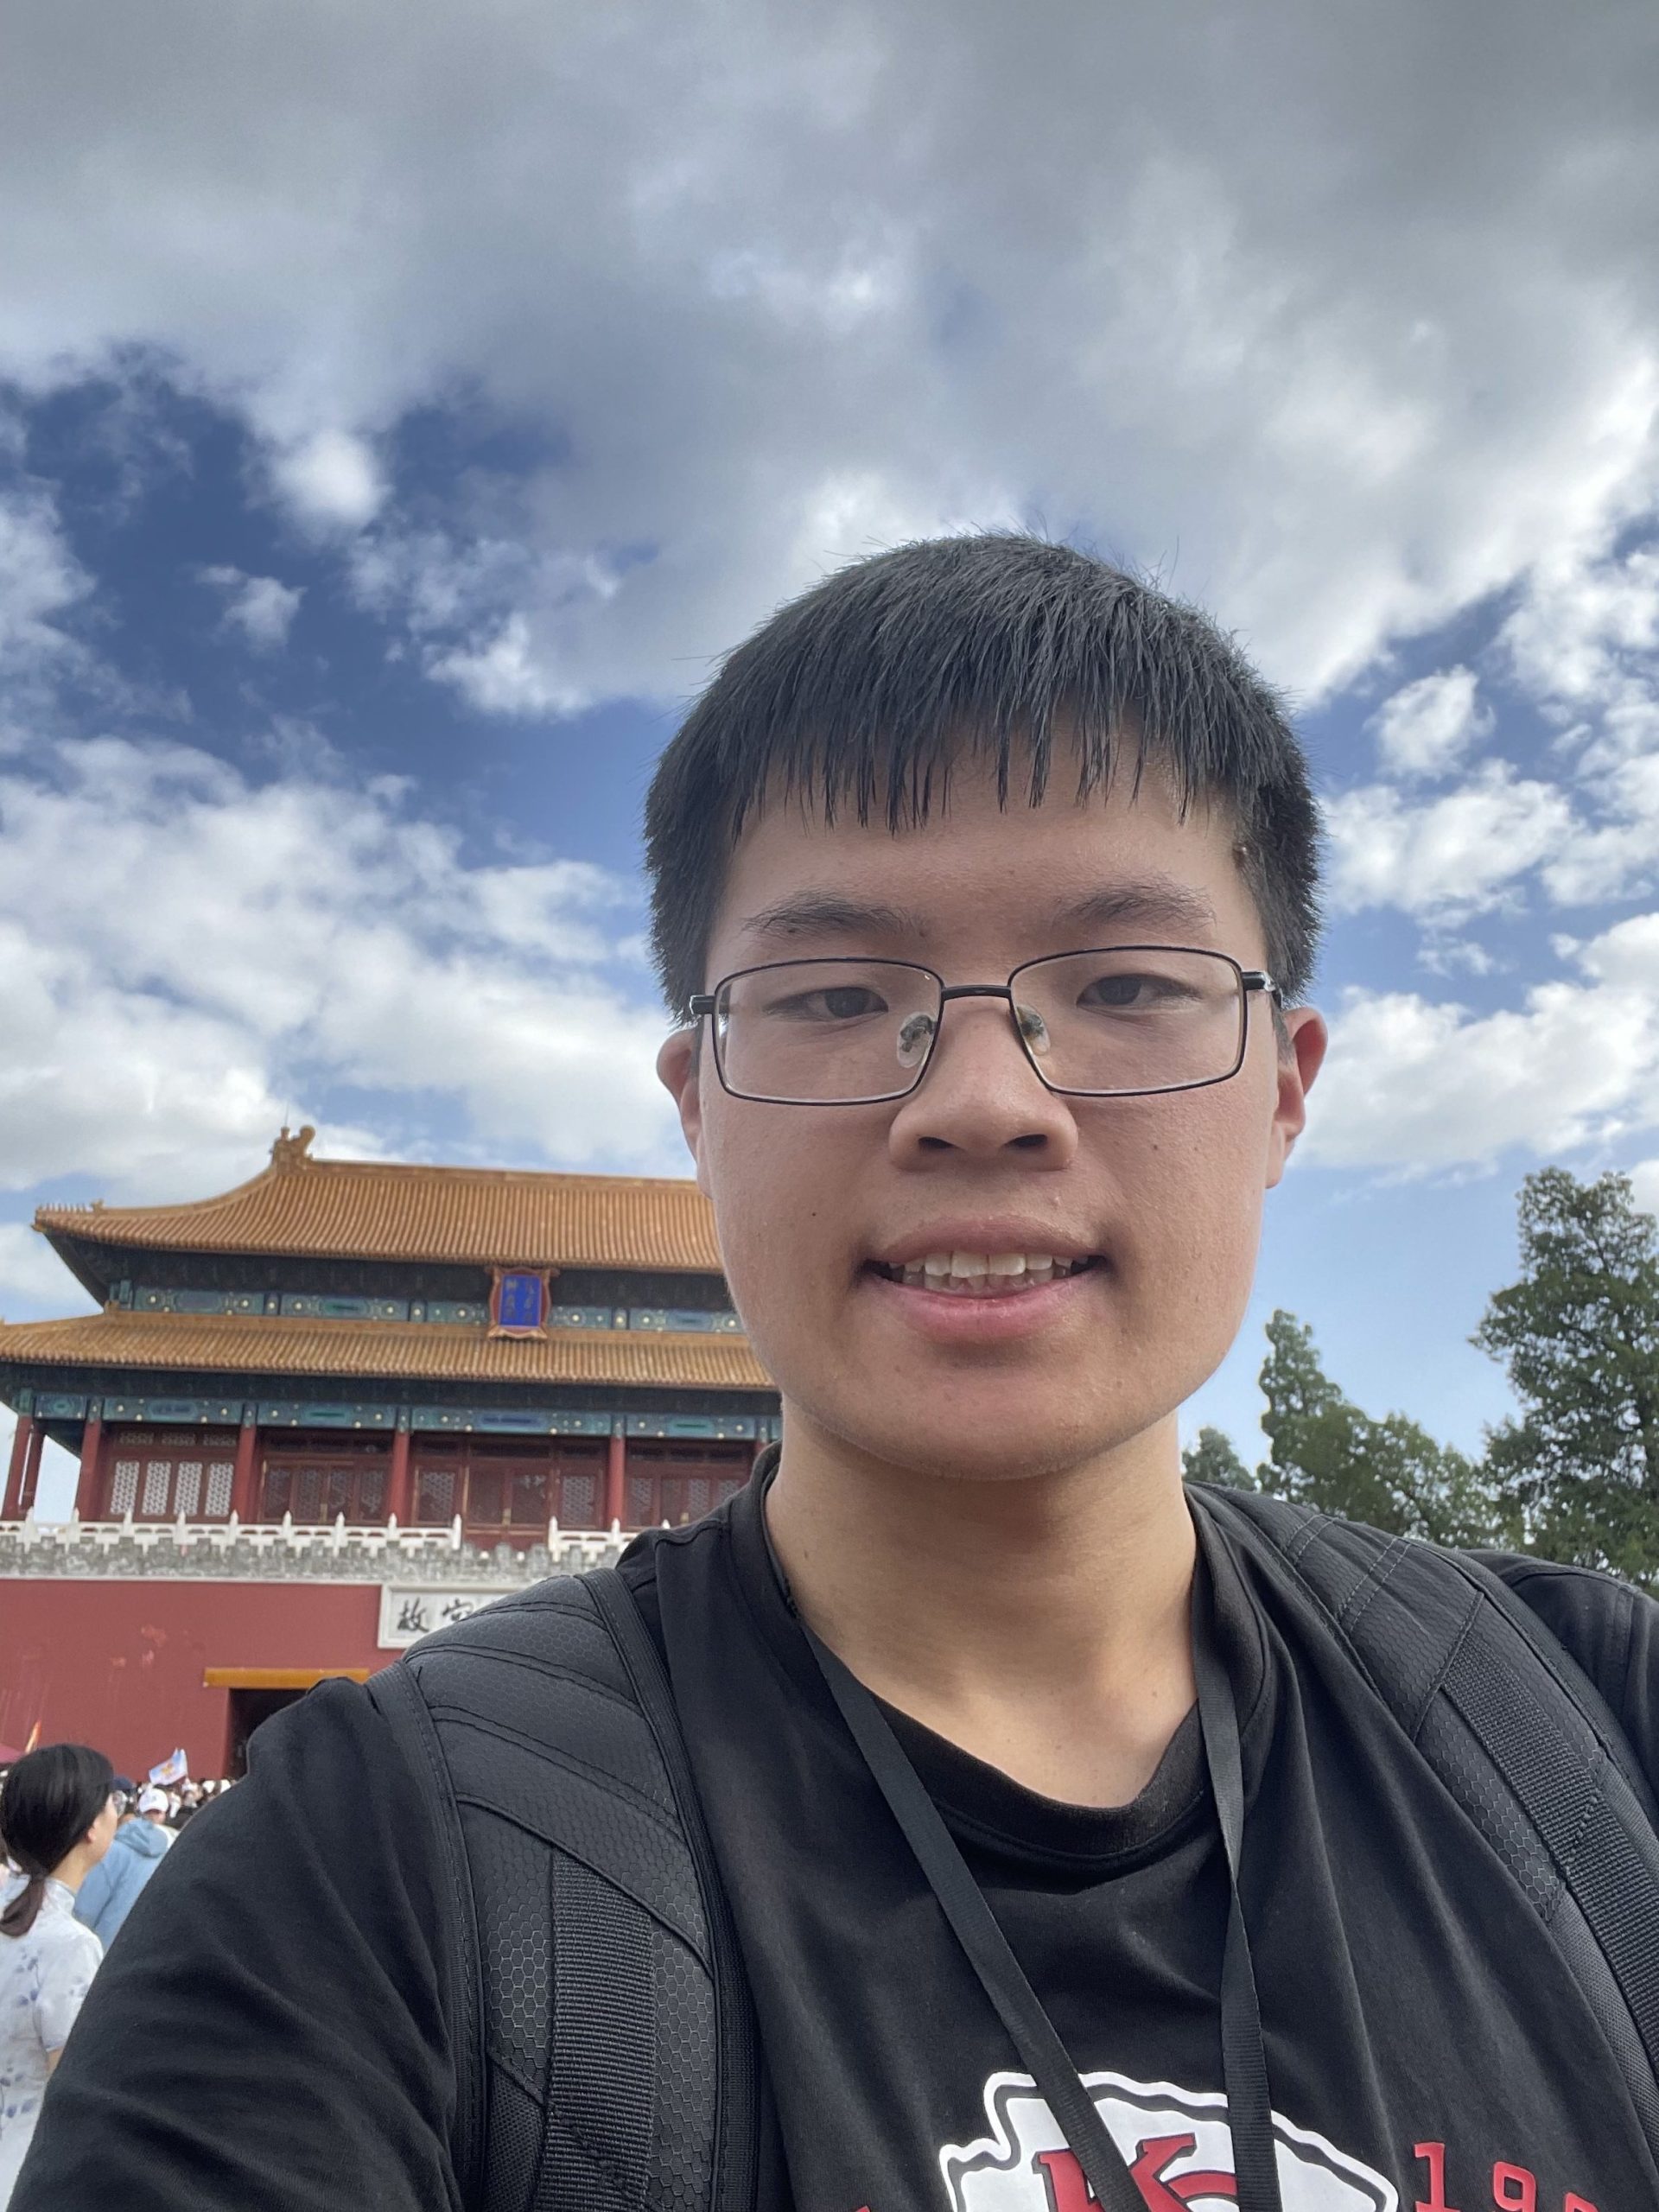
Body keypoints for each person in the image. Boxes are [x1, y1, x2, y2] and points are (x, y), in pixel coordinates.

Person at [18, 534, 1659, 2210]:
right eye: (833, 992)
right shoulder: (364, 1877)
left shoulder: (1593, 1725)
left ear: (1286, 1088)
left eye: (1123, 985)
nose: (983, 1097)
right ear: (696, 1101)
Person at [0, 1744, 116, 2205]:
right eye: (111, 1800)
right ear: (90, 1827)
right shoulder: (70, 1947)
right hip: (20, 2173)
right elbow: (73, 2096)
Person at [73, 1788, 168, 1948]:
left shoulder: (111, 1850)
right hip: (134, 1956)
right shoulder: (168, 1854)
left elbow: (85, 1909)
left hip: (96, 1952)